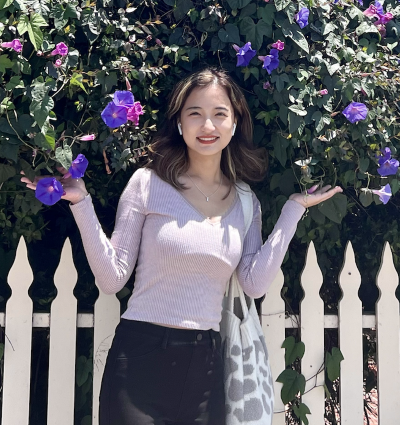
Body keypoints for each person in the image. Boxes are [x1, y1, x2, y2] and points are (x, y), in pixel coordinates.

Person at [21, 68, 342, 425]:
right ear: (179, 123)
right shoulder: (146, 184)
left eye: (220, 114)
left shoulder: (246, 203)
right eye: (195, 114)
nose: (208, 125)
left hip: (204, 364)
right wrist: (81, 203)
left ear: (234, 124)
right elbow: (112, 279)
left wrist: (293, 210)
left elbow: (254, 283)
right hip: (139, 357)